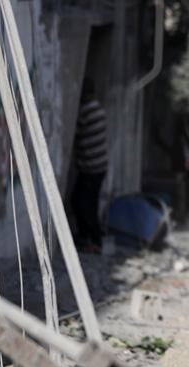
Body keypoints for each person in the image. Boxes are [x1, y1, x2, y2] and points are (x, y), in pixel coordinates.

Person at [71, 79, 109, 253]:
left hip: (91, 168)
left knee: (83, 204)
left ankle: (92, 240)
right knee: (85, 203)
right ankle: (89, 238)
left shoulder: (86, 111)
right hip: (97, 166)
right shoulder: (98, 109)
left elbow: (75, 132)